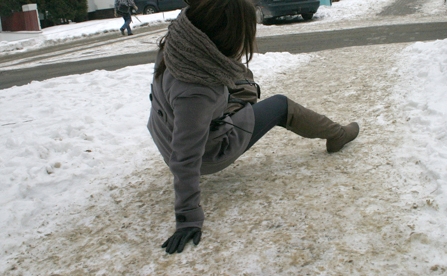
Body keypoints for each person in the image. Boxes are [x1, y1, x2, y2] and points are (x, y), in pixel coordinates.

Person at [147, 0, 360, 254]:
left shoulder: (178, 42)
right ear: (229, 36)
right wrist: (187, 218)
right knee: (280, 105)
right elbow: (185, 158)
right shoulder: (198, 92)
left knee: (243, 80)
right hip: (208, 154)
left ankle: (241, 103)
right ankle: (337, 135)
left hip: (164, 134)